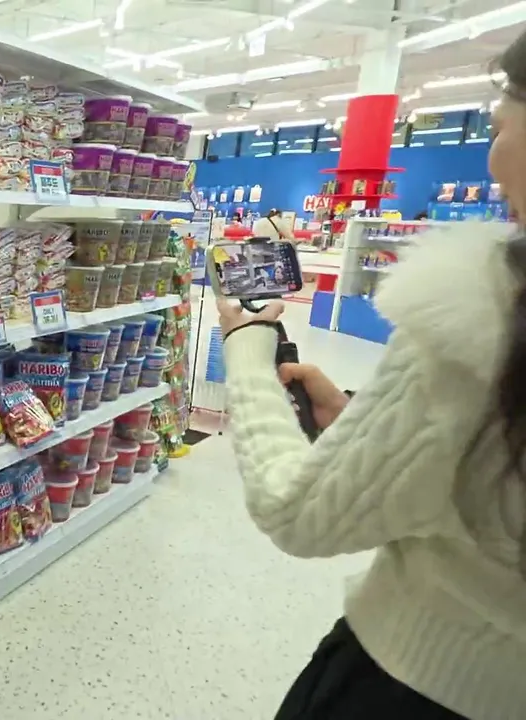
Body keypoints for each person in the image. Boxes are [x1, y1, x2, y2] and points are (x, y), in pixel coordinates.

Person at [214, 32, 526, 720]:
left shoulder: (481, 318)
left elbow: (298, 514)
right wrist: (372, 424)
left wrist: (247, 346)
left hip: (409, 684)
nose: (491, 155)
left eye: (502, 121)